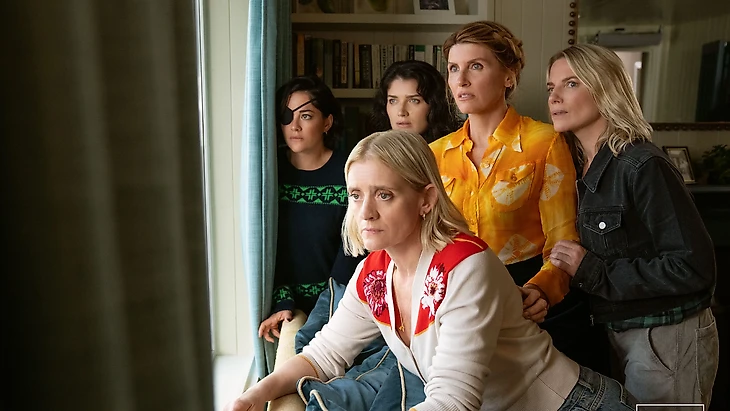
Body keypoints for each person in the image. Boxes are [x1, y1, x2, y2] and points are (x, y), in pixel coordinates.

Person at [224, 130, 635, 411]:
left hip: (576, 404)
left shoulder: (465, 265)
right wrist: (255, 395)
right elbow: (324, 355)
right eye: (356, 195)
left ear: (426, 199)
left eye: (385, 195)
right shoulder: (373, 274)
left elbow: (452, 401)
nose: (365, 212)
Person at [429, 20, 608, 372]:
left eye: (475, 66)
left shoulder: (545, 142)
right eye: (453, 68)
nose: (461, 80)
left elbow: (563, 239)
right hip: (455, 304)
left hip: (529, 299)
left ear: (508, 76)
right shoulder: (435, 154)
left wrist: (541, 290)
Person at [546, 44, 719, 408]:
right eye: (551, 87)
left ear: (605, 88)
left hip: (665, 335)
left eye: (571, 84)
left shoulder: (641, 165)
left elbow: (693, 267)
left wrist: (591, 271)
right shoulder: (574, 167)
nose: (555, 97)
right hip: (615, 332)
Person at [258, 75, 362, 343]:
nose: (294, 126)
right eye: (287, 116)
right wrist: (283, 302)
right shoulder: (267, 173)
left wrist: (328, 309)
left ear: (327, 122)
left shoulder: (352, 173)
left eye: (305, 116)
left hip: (340, 307)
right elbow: (268, 249)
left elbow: (355, 247)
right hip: (283, 307)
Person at [369, 60, 461, 144]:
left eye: (413, 101)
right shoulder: (373, 152)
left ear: (435, 104)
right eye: (393, 101)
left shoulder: (454, 150)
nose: (401, 112)